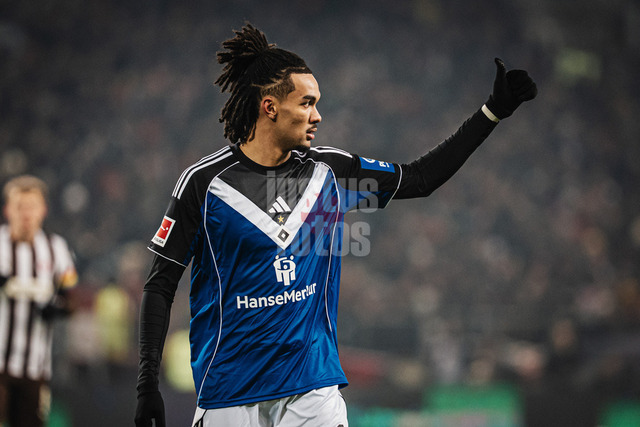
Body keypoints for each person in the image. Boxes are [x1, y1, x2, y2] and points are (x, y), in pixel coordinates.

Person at [135, 23, 537, 427]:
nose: (318, 116)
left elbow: (421, 178)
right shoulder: (204, 184)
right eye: (307, 103)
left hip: (313, 389)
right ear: (270, 107)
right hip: (229, 392)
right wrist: (147, 383)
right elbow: (160, 286)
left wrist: (492, 112)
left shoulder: (331, 172)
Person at [0, 175, 78, 427]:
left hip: (36, 366)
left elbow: (71, 299)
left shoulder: (57, 249)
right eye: (19, 206)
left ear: (43, 210)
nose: (26, 214)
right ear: (7, 210)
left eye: (31, 206)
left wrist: (58, 309)